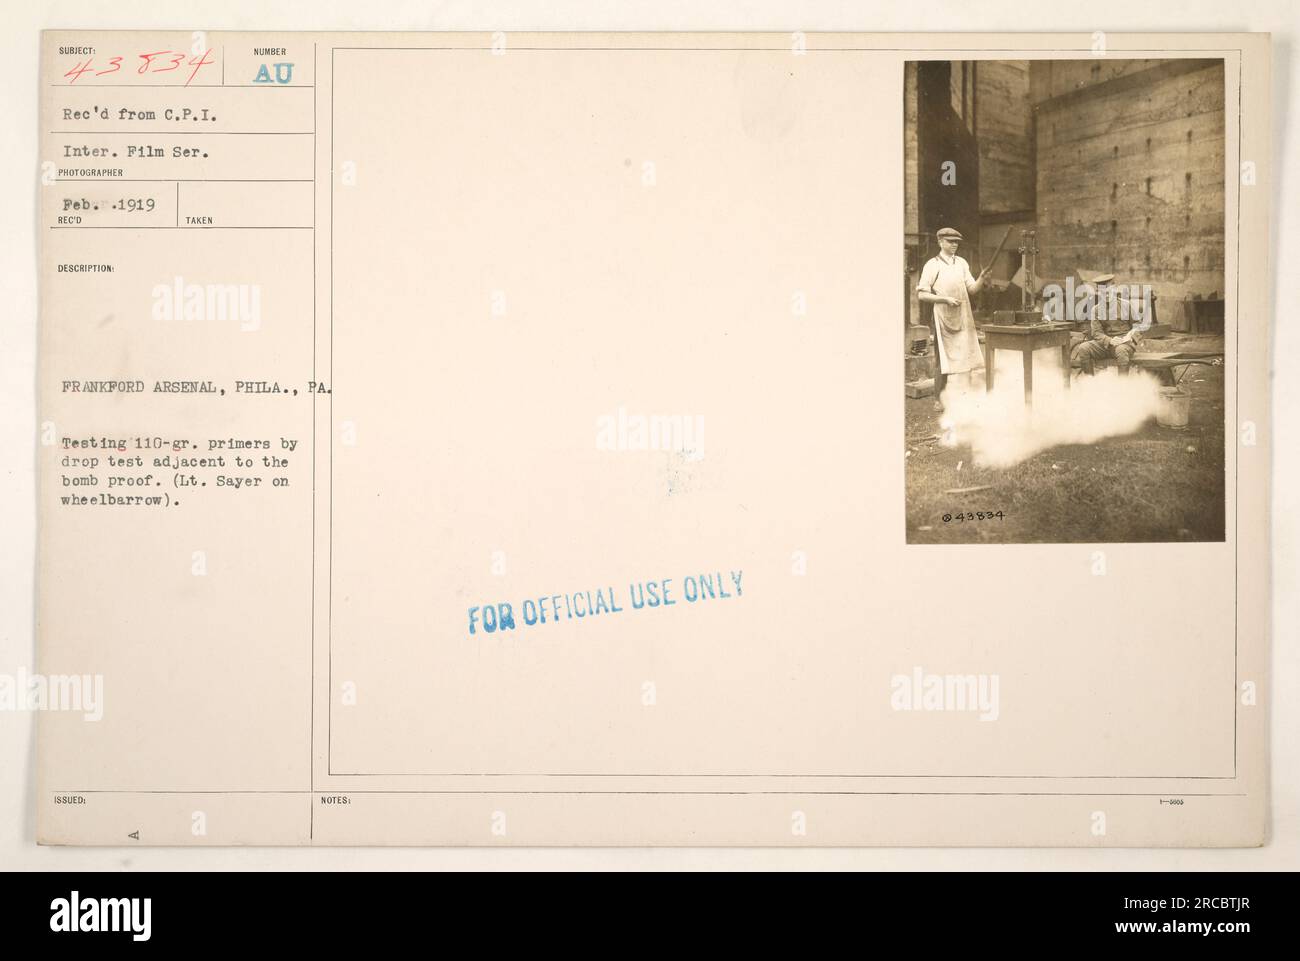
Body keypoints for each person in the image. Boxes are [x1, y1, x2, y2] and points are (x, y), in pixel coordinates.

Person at [916, 227, 992, 411]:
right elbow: (922, 295)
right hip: (942, 316)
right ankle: (938, 399)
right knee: (943, 359)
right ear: (940, 242)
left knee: (967, 355)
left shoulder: (962, 263)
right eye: (950, 241)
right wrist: (945, 299)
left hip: (963, 315)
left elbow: (972, 289)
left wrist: (982, 278)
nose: (954, 245)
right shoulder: (932, 265)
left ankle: (965, 396)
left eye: (956, 242)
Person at [1070, 275, 1144, 375]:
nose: (1107, 296)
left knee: (1121, 350)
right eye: (1103, 293)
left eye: (1109, 292)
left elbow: (1138, 325)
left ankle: (1124, 386)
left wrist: (1130, 336)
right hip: (1105, 345)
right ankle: (1090, 383)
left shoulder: (1126, 305)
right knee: (1083, 348)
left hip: (1124, 344)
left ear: (1114, 289)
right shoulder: (1095, 310)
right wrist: (1110, 341)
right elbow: (1097, 333)